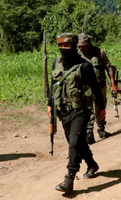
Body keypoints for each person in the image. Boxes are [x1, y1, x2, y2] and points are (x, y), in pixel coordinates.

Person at [47, 33, 104, 193]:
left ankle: (69, 178)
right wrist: (50, 104)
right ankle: (92, 164)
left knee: (73, 143)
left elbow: (95, 88)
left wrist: (101, 109)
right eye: (61, 46)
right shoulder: (56, 62)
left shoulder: (84, 66)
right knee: (77, 142)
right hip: (62, 111)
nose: (64, 49)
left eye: (67, 46)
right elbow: (53, 85)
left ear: (73, 46)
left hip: (81, 111)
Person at [77, 33, 118, 144]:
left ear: (89, 43)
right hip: (85, 87)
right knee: (88, 108)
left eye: (83, 45)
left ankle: (101, 129)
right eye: (79, 46)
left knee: (101, 106)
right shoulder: (77, 55)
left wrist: (113, 84)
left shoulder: (99, 53)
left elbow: (109, 68)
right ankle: (89, 132)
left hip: (100, 86)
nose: (81, 48)